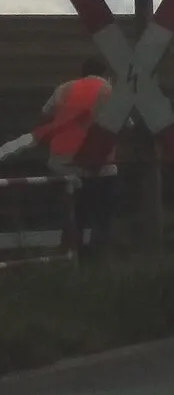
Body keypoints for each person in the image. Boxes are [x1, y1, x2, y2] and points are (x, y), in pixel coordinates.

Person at [33, 57, 118, 255]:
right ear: (105, 75)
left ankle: (70, 253)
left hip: (63, 164)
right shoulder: (110, 92)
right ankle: (99, 257)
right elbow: (125, 125)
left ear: (82, 73)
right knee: (102, 215)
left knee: (71, 213)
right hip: (100, 166)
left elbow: (43, 119)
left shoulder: (64, 89)